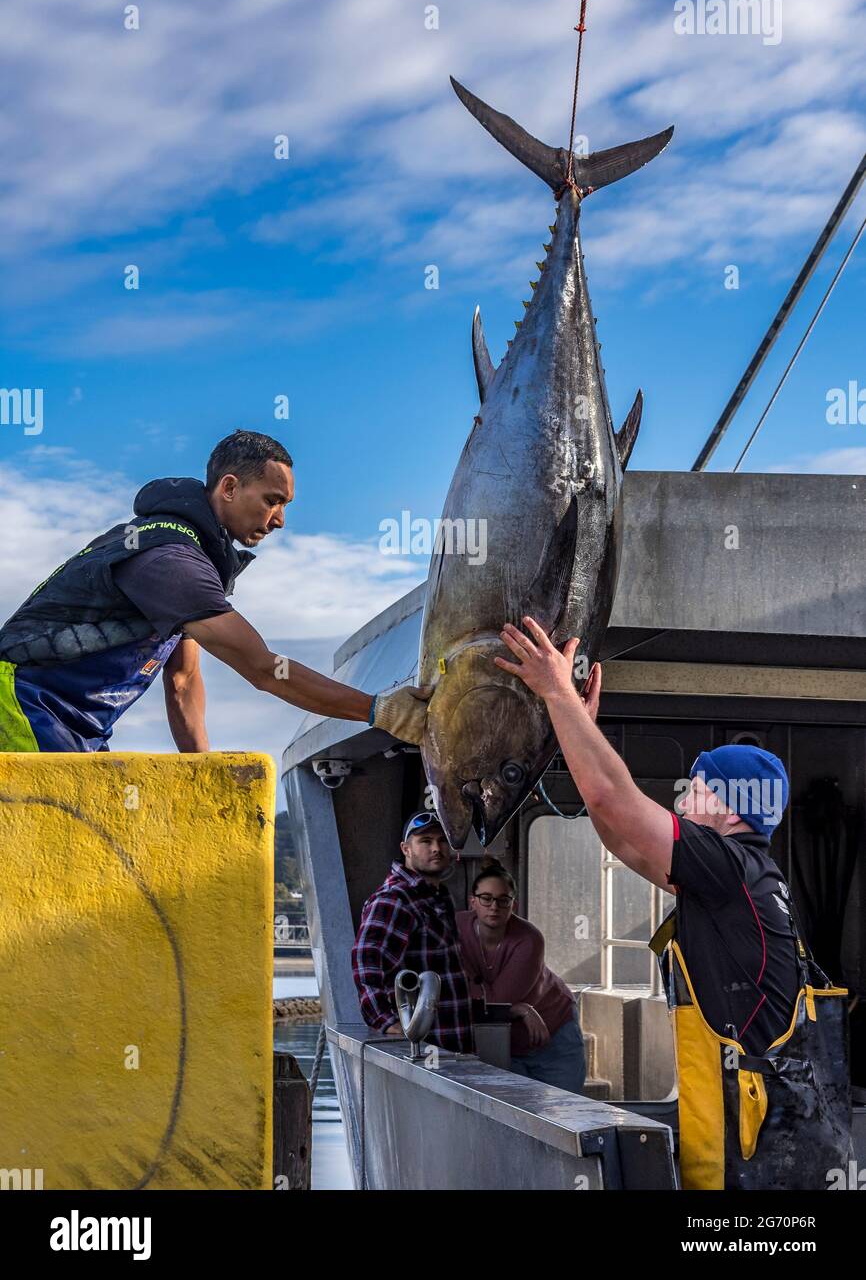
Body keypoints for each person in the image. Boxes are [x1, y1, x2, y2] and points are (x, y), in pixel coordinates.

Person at [494, 615, 852, 1190]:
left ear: (732, 808)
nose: (682, 799)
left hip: (755, 1175)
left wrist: (557, 693)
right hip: (757, 1163)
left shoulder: (729, 868)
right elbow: (619, 833)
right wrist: (575, 729)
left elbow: (614, 800)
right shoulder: (741, 877)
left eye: (697, 787)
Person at [0, 429, 428, 753]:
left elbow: (183, 680)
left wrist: (203, 770)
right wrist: (378, 710)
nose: (279, 520)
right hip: (23, 705)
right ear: (228, 488)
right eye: (272, 500)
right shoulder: (168, 558)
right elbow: (263, 669)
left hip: (70, 723)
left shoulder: (184, 558)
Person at [457, 858, 586, 1092]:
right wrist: (519, 1009)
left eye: (503, 900)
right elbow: (457, 987)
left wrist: (475, 989)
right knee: (516, 1116)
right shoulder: (455, 929)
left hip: (553, 1029)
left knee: (564, 1112)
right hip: (503, 1041)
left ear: (513, 906)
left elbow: (498, 1001)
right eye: (486, 898)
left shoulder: (529, 939)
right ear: (472, 902)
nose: (494, 906)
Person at [351, 812, 473, 1052]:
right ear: (406, 849)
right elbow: (366, 960)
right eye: (426, 841)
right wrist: (387, 1023)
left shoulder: (440, 896)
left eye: (443, 840)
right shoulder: (394, 898)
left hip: (452, 1041)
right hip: (424, 1047)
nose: (436, 848)